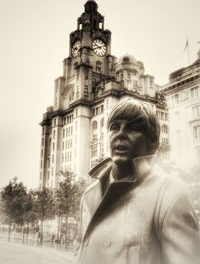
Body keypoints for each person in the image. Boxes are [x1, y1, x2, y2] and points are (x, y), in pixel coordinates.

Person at [74, 99, 200, 264]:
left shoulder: (171, 195)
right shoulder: (89, 195)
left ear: (152, 142)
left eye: (133, 128)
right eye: (114, 127)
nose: (120, 133)